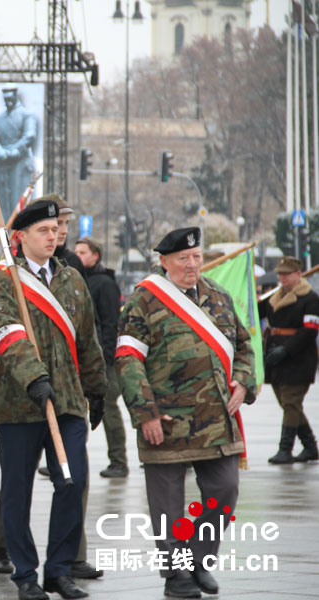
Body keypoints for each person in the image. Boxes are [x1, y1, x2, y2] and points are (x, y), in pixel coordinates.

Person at [115, 227, 255, 598]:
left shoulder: (218, 295)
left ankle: (198, 561)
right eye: (183, 259)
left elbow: (244, 346)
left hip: (215, 421)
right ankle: (176, 575)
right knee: (168, 510)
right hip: (165, 422)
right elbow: (127, 359)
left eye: (196, 257)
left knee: (224, 492)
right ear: (164, 262)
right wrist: (145, 412)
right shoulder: (143, 301)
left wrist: (242, 381)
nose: (192, 265)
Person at [0, 199, 107, 600]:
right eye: (43, 231)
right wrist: (34, 378)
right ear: (21, 237)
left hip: (67, 401)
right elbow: (7, 334)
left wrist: (98, 387)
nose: (53, 237)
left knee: (73, 482)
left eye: (56, 231)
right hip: (19, 403)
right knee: (17, 491)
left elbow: (87, 338)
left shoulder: (71, 279)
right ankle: (25, 574)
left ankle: (59, 569)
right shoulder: (2, 280)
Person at [75, 237, 128, 479]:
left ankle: (119, 460)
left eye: (82, 252)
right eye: (76, 252)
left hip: (105, 361)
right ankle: (68, 456)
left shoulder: (104, 284)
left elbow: (110, 324)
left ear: (95, 256)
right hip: (82, 358)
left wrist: (107, 359)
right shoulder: (78, 279)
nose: (78, 256)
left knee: (107, 406)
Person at [259, 255, 319, 463]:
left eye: (286, 274)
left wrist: (286, 350)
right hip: (276, 359)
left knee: (291, 403)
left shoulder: (310, 299)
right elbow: (254, 312)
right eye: (280, 274)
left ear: (298, 274)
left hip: (298, 359)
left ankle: (285, 449)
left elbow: (309, 331)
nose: (282, 278)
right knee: (289, 406)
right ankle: (311, 447)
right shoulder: (274, 297)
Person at [0, 86, 37, 219]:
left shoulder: (27, 115)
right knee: (0, 199)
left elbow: (30, 135)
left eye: (10, 98)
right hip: (2, 162)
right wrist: (0, 152)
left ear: (16, 96)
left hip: (19, 163)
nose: (8, 101)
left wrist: (15, 151)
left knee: (18, 198)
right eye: (6, 99)